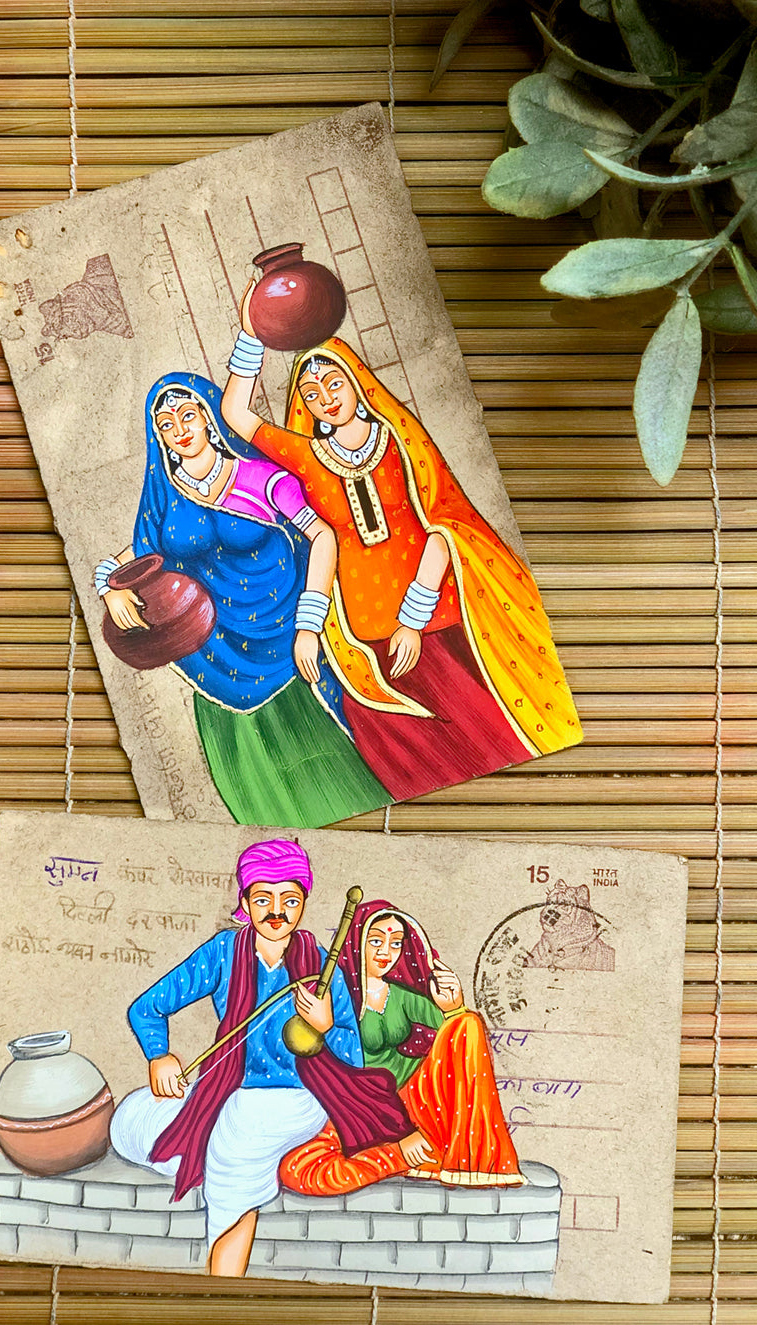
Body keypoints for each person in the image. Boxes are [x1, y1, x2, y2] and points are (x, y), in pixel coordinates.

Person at [220, 308, 582, 802]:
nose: (326, 398)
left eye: (334, 384)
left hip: (437, 624)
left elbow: (443, 526)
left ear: (357, 383)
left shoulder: (401, 442)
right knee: (417, 769)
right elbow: (237, 415)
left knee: (490, 744)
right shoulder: (305, 456)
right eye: (312, 393)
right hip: (365, 641)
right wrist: (251, 331)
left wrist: (413, 619)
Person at [94, 372, 388, 827]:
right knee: (254, 791)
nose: (180, 429)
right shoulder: (165, 497)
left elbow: (322, 536)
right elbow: (138, 554)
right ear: (159, 438)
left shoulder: (260, 478)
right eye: (167, 424)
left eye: (188, 415)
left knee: (333, 776)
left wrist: (310, 627)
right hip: (213, 657)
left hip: (288, 643)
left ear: (209, 418)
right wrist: (108, 588)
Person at [110, 841, 413, 1276]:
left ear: (303, 903)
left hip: (296, 1095)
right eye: (263, 899)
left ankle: (223, 1282)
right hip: (224, 1087)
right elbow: (146, 1008)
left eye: (289, 900)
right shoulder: (224, 952)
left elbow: (353, 1057)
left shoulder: (321, 965)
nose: (276, 912)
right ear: (246, 901)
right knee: (132, 1120)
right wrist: (160, 1056)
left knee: (235, 1151)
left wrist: (327, 1025)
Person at [279, 897, 524, 1194]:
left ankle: (472, 1160)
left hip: (414, 1096)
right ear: (356, 943)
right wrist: (325, 1027)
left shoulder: (400, 995)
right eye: (376, 941)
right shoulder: (338, 997)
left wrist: (454, 1007)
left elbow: (448, 1031)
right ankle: (406, 1154)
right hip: (361, 1104)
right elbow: (325, 1061)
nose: (386, 952)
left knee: (467, 1023)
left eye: (395, 943)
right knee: (302, 1170)